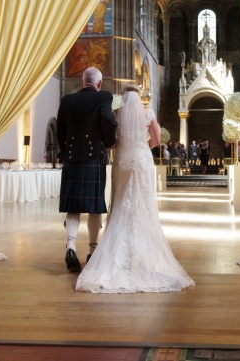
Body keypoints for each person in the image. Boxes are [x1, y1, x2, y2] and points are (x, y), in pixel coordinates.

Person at [76, 82, 194, 293]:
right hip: (141, 158)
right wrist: (141, 145)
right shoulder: (148, 113)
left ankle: (113, 253)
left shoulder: (116, 113)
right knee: (143, 203)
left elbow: (110, 143)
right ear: (139, 97)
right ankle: (145, 253)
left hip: (122, 159)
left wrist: (123, 144)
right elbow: (157, 140)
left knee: (122, 201)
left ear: (122, 96)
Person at [57, 66, 118, 272]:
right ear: (99, 84)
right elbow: (109, 119)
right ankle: (92, 252)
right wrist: (109, 142)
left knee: (72, 206)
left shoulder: (67, 100)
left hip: (72, 158)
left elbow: (60, 132)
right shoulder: (104, 97)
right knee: (94, 206)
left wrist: (67, 155)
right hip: (93, 158)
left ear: (83, 82)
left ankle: (71, 246)